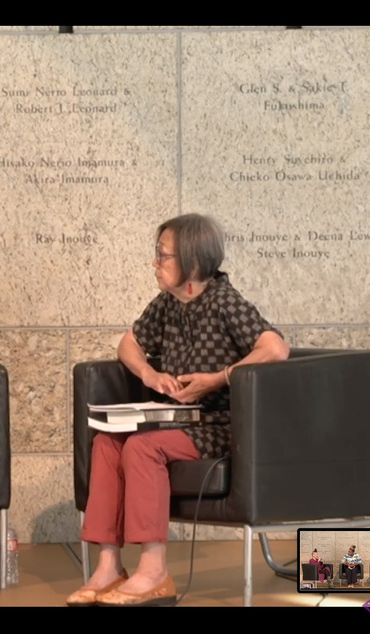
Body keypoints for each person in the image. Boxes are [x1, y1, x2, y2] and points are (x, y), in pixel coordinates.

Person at [67, 214, 290, 607]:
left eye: (163, 256)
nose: (155, 262)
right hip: (173, 421)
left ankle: (154, 572)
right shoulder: (168, 303)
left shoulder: (224, 301)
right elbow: (128, 344)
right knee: (107, 443)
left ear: (191, 261)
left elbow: (275, 349)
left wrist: (217, 377)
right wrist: (149, 374)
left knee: (141, 447)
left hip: (217, 426)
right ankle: (108, 567)